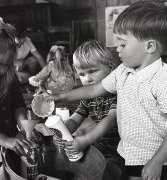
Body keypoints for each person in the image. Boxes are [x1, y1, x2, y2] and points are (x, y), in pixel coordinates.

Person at [47, 1, 167, 180]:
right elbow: (95, 89)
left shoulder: (163, 79)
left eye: (122, 44)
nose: (117, 49)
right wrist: (60, 96)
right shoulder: (122, 71)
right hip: (129, 154)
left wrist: (157, 161)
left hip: (157, 158)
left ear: (149, 47)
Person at [53, 40, 125, 180]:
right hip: (98, 146)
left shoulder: (117, 93)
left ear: (110, 68)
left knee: (108, 172)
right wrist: (62, 132)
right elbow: (75, 119)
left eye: (92, 71)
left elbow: (109, 120)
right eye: (82, 74)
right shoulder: (88, 98)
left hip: (119, 150)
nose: (87, 79)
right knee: (72, 165)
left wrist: (85, 140)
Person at [0, 15, 32, 179]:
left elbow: (18, 104)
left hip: (11, 145)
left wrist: (23, 126)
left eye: (7, 65)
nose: (1, 70)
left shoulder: (9, 75)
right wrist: (5, 140)